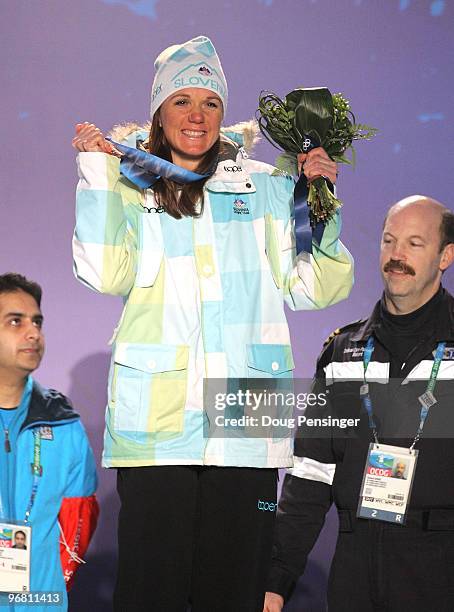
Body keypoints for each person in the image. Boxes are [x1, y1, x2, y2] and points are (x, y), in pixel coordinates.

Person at [72, 35, 353, 611]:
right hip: (157, 422)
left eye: (210, 101)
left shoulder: (267, 187)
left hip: (247, 418)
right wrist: (96, 178)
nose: (196, 115)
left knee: (234, 590)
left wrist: (320, 201)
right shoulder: (126, 183)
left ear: (225, 112)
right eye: (181, 100)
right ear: (159, 109)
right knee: (154, 590)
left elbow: (314, 287)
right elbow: (102, 273)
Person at [264, 196, 454, 612]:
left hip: (440, 567)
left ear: (445, 257)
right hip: (356, 567)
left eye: (414, 244)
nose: (396, 256)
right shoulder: (342, 350)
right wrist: (277, 578)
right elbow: (311, 474)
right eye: (389, 241)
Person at [0, 273, 99, 611]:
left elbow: (77, 525)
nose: (34, 333)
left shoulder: (64, 424)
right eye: (16, 321)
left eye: (37, 322)